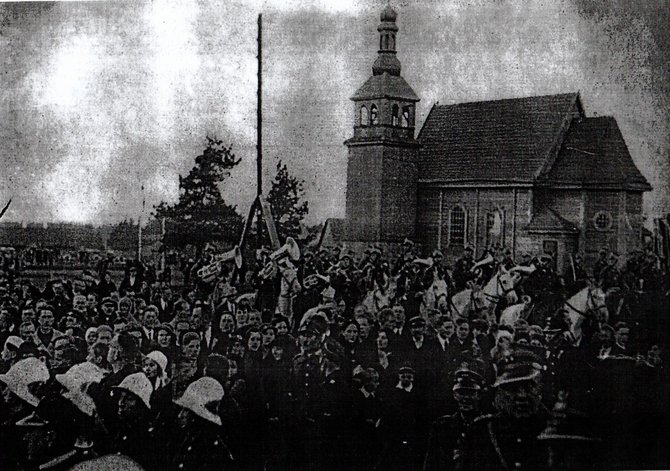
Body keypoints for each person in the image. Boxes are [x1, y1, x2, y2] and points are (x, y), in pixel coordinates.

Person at [461, 346, 547, 470]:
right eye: (512, 388)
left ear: (541, 388)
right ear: (499, 393)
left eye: (529, 386)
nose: (521, 396)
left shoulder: (557, 430)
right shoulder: (482, 432)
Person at [423, 365, 484, 471]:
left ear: (479, 395)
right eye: (461, 393)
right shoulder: (441, 427)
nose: (465, 398)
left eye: (471, 393)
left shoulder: (487, 427)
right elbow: (431, 464)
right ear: (454, 395)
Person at [171, 377, 234, 471]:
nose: (180, 415)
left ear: (198, 417)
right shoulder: (190, 438)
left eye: (186, 410)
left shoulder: (210, 449)